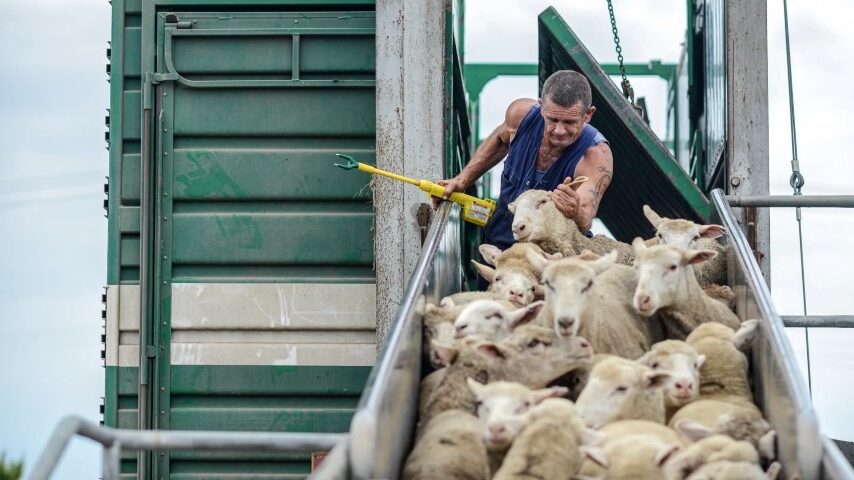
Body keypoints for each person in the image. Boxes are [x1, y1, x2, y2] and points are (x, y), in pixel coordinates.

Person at [435, 70, 613, 251]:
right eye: (552, 119)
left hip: (552, 258)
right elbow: (499, 140)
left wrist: (574, 211)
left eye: (569, 122)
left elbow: (585, 219)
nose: (559, 130)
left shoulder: (596, 155)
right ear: (541, 106)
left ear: (588, 114)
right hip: (499, 245)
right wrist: (462, 179)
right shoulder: (520, 116)